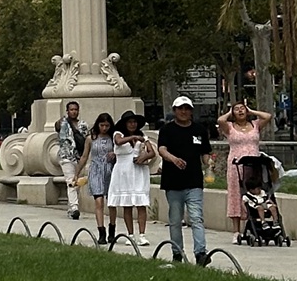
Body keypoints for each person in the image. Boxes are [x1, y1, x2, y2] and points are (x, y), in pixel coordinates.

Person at [157, 95, 214, 266]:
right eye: (180, 108)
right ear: (174, 111)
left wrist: (209, 162)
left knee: (196, 217)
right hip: (173, 182)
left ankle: (200, 253)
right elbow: (161, 149)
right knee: (175, 220)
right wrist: (173, 159)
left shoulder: (199, 130)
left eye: (187, 109)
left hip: (194, 181)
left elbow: (205, 152)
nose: (184, 112)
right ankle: (177, 252)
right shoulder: (167, 130)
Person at [218, 98, 273, 238]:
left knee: (255, 193)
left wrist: (252, 111)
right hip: (236, 164)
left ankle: (257, 223)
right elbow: (220, 121)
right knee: (236, 195)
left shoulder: (255, 125)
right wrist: (230, 112)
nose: (240, 111)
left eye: (242, 108)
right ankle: (236, 231)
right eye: (237, 109)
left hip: (254, 164)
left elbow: (268, 116)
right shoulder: (230, 127)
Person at [107, 111, 156, 241]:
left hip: (138, 172)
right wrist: (133, 137)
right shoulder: (118, 134)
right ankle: (130, 234)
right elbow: (118, 142)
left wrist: (144, 156)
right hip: (123, 171)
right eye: (129, 122)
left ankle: (142, 234)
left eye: (134, 122)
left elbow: (152, 152)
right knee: (126, 204)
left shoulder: (142, 136)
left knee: (141, 204)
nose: (132, 124)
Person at [81, 112, 116, 245]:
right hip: (96, 170)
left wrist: (115, 154)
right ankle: (101, 230)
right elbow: (85, 156)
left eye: (107, 125)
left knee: (111, 202)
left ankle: (112, 229)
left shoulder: (113, 137)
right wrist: (77, 172)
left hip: (110, 170)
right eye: (102, 125)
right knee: (99, 201)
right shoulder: (91, 138)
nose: (104, 128)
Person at [54, 99, 85, 221]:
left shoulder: (83, 125)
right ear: (67, 111)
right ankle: (74, 208)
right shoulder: (63, 123)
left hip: (79, 157)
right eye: (71, 109)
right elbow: (57, 127)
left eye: (76, 109)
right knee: (71, 181)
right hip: (66, 156)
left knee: (76, 183)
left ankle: (70, 208)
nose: (74, 112)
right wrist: (61, 120)